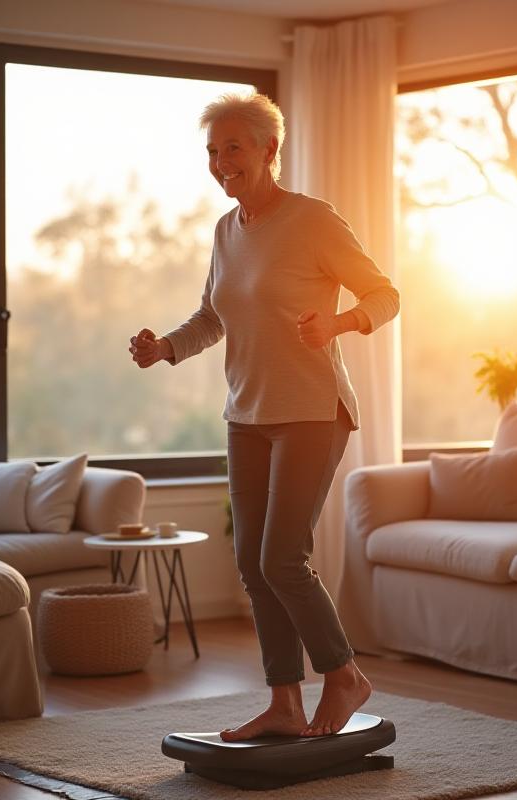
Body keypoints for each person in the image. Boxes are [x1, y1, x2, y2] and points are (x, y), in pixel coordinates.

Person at [129, 92, 400, 740]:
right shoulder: (227, 232)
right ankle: (284, 701)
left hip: (310, 409)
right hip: (245, 413)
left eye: (234, 148)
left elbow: (384, 294)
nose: (223, 162)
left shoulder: (313, 221)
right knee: (252, 563)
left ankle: (343, 676)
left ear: (269, 150)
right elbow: (214, 317)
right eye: (213, 152)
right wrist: (166, 346)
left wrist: (336, 322)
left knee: (282, 557)